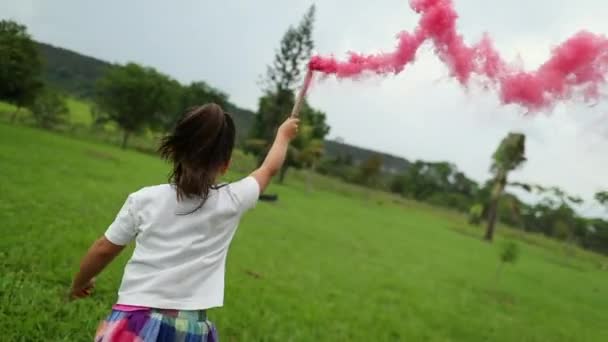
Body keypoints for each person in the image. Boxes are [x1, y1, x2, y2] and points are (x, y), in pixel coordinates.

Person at [69, 103, 299, 341]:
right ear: (226, 163)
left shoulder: (144, 199)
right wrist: (283, 136)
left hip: (135, 321)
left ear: (175, 151)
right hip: (191, 329)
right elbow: (269, 168)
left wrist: (80, 282)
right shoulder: (233, 199)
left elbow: (103, 249)